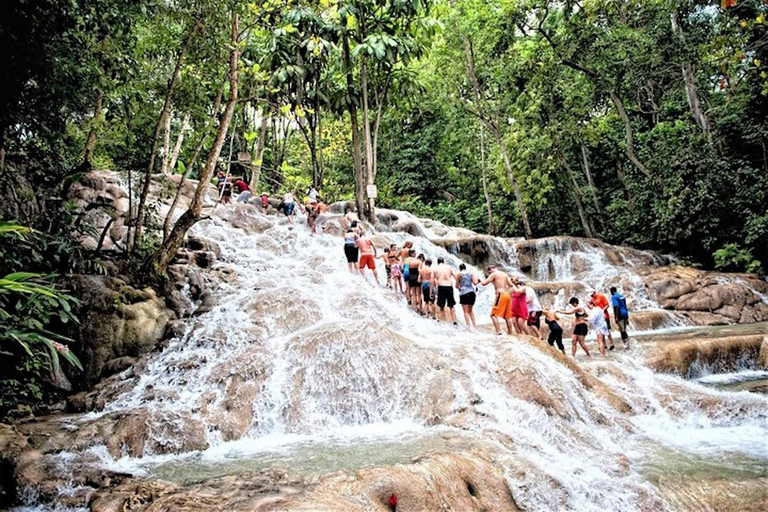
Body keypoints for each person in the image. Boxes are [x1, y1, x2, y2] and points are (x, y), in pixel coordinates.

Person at [481, 266, 514, 335]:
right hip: (507, 295)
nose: (489, 273)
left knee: (493, 315)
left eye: (489, 272)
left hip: (500, 295)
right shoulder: (505, 274)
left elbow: (484, 283)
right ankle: (510, 333)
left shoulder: (494, 274)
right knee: (507, 316)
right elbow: (511, 284)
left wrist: (480, 280)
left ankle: (498, 331)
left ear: (491, 270)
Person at [433, 257, 458, 324]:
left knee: (441, 306)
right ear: (443, 261)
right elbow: (456, 277)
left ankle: (443, 321)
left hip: (441, 287)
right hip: (449, 286)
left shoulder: (435, 269)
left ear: (437, 262)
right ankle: (454, 320)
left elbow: (432, 281)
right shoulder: (449, 267)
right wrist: (459, 286)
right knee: (451, 305)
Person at [456, 263, 479, 328]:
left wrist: (460, 288)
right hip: (472, 293)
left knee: (465, 312)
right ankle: (474, 325)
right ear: (465, 268)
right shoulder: (471, 273)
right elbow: (475, 283)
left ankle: (468, 326)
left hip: (464, 293)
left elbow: (456, 285)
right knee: (471, 311)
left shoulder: (459, 275)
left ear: (460, 269)